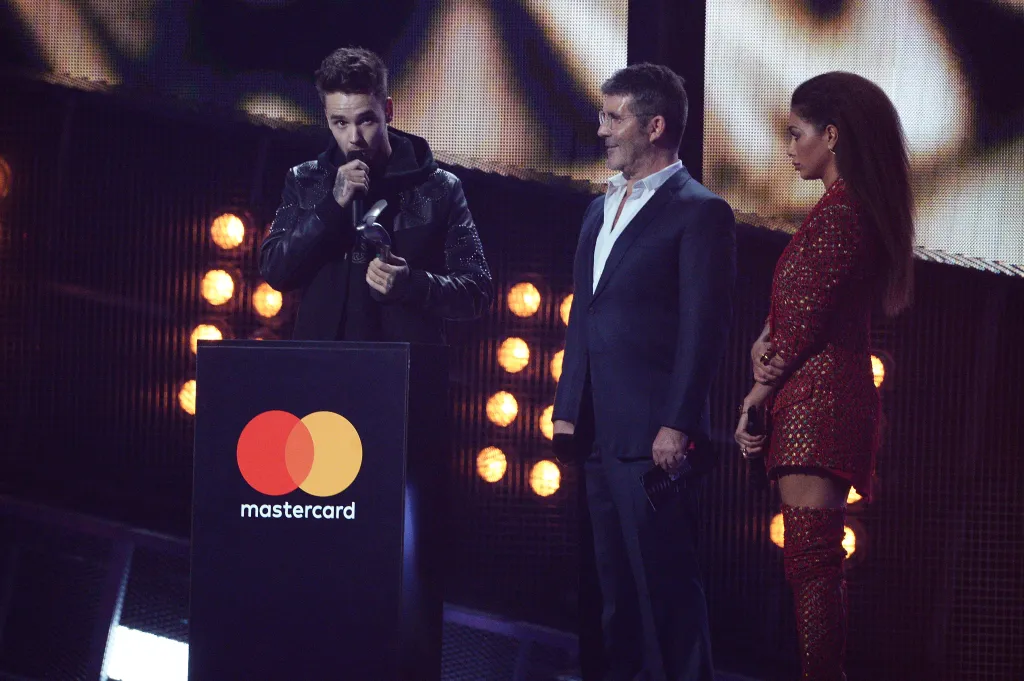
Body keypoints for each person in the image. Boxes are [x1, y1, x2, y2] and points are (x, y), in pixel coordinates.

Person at [553, 63, 736, 681]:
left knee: (667, 592)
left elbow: (702, 328)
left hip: (653, 438)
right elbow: (587, 312)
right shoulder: (598, 209)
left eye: (613, 117)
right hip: (600, 432)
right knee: (614, 594)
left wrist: (678, 422)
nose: (601, 129)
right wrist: (567, 405)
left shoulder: (700, 213)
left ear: (655, 126)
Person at [734, 72, 914, 680]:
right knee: (811, 563)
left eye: (795, 134)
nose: (786, 148)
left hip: (822, 402)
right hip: (816, 396)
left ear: (831, 135)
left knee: (812, 563)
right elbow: (797, 309)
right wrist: (765, 343)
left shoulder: (844, 213)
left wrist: (754, 395)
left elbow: (803, 325)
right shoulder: (840, 210)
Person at [259, 46, 492, 342]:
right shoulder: (306, 180)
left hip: (405, 375)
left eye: (365, 120)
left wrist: (412, 285)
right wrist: (331, 206)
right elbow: (276, 270)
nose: (353, 137)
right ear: (327, 118)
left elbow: (477, 290)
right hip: (323, 373)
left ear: (388, 111)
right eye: (340, 123)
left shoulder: (440, 188)